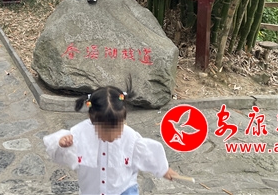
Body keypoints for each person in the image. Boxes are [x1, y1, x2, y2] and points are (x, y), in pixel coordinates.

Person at [43, 81, 179, 195]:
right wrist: (61, 144)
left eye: (117, 128)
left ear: (123, 119)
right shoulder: (79, 133)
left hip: (124, 189)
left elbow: (147, 154)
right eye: (105, 130)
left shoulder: (130, 137)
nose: (112, 135)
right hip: (92, 190)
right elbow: (56, 154)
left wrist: (163, 170)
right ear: (92, 119)